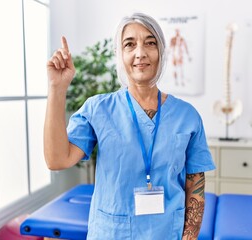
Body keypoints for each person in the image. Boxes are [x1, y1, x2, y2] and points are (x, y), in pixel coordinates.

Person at [44, 12, 215, 240]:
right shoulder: (98, 109)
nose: (140, 53)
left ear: (161, 52)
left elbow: (195, 184)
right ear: (120, 54)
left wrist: (189, 237)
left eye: (150, 43)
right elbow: (57, 159)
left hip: (166, 233)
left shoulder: (187, 116)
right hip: (111, 233)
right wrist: (57, 88)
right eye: (130, 44)